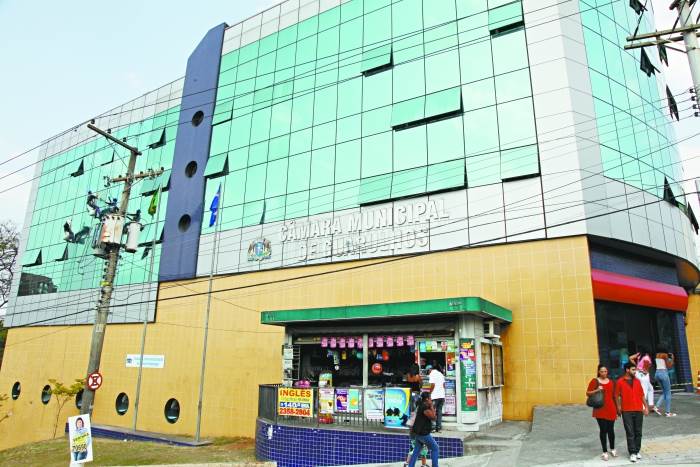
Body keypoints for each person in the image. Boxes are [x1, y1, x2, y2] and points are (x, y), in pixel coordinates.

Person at [615, 362, 648, 463]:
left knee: (638, 432)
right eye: (633, 370)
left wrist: (646, 407)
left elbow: (641, 394)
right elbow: (616, 396)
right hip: (626, 410)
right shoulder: (620, 382)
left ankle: (637, 451)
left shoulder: (637, 381)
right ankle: (632, 453)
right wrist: (618, 407)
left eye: (635, 370)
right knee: (630, 432)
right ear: (627, 370)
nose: (635, 372)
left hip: (638, 409)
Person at [586, 365, 618, 461]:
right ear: (599, 372)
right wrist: (597, 390)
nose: (604, 373)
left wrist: (618, 409)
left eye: (605, 371)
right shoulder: (595, 381)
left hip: (611, 408)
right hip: (600, 409)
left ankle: (612, 448)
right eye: (602, 371)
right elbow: (588, 393)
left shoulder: (612, 382)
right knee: (603, 430)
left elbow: (614, 396)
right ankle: (604, 451)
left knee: (611, 430)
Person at [407, 392, 439, 467]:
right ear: (427, 399)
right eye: (430, 398)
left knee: (416, 451)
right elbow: (434, 417)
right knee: (435, 448)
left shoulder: (420, 405)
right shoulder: (424, 407)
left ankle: (411, 465)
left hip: (417, 433)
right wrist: (431, 406)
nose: (431, 399)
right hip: (423, 434)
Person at [629, 348, 655, 413]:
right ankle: (643, 407)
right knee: (644, 391)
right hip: (643, 375)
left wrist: (636, 366)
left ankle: (651, 405)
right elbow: (646, 368)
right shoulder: (646, 357)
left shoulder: (640, 355)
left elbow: (630, 358)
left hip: (637, 373)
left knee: (650, 388)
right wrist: (645, 371)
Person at [654, 347, 676, 417]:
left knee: (664, 392)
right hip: (663, 373)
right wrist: (672, 359)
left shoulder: (657, 355)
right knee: (668, 393)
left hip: (657, 374)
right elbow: (669, 366)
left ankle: (656, 407)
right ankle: (668, 412)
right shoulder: (665, 355)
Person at [428, 364, 445, 432]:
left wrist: (429, 393)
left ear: (430, 369)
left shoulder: (432, 374)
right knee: (439, 412)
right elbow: (443, 385)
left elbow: (432, 384)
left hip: (435, 396)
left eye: (428, 371)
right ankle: (438, 427)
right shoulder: (441, 374)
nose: (428, 372)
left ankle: (433, 428)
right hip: (442, 396)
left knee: (432, 411)